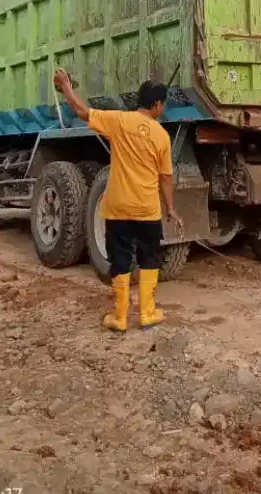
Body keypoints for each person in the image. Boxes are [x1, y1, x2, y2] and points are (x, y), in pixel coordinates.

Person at [52, 69, 183, 333]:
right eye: (163, 103)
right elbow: (166, 178)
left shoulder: (119, 121)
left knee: (120, 259)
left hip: (118, 208)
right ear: (157, 105)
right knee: (149, 258)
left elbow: (81, 111)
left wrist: (66, 86)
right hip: (147, 210)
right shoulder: (161, 136)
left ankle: (120, 317)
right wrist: (171, 209)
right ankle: (147, 314)